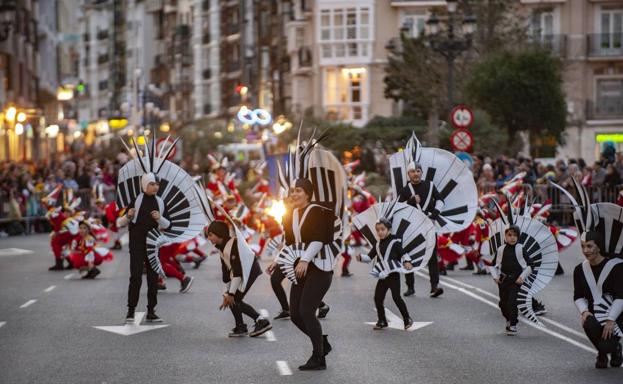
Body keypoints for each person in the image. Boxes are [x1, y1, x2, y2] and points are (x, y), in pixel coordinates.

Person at [267, 179, 336, 370]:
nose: (294, 194)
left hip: (320, 267)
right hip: (300, 268)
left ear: (307, 193)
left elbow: (319, 239)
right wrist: (278, 259)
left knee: (307, 311)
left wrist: (305, 259)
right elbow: (289, 243)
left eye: (298, 190)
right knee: (296, 315)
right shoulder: (291, 214)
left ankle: (318, 358)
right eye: (292, 191)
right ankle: (322, 344)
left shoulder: (318, 211)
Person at [118, 173, 171, 324]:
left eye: (157, 184)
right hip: (136, 243)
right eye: (152, 184)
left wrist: (159, 218)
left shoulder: (160, 202)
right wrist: (128, 216)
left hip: (153, 245)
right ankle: (131, 310)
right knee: (135, 277)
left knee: (153, 279)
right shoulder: (136, 200)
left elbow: (169, 225)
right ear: (145, 185)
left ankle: (151, 311)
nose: (155, 187)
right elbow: (119, 223)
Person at [206, 220, 272, 338]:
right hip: (240, 272)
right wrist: (227, 292)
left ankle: (262, 321)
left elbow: (238, 273)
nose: (208, 238)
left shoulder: (234, 244)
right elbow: (226, 272)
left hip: (250, 270)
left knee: (235, 298)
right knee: (230, 298)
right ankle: (241, 326)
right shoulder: (220, 246)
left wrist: (231, 293)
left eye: (210, 235)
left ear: (218, 233)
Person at [573, 231, 623, 369]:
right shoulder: (579, 269)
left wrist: (611, 319)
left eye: (589, 246)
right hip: (595, 313)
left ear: (599, 247)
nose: (585, 250)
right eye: (583, 246)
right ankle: (602, 352)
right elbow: (577, 296)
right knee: (588, 322)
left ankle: (613, 349)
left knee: (607, 346)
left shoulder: (617, 267)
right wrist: (584, 311)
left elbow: (621, 295)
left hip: (618, 315)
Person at [356, 219, 413, 330]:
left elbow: (403, 253)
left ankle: (407, 319)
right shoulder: (377, 245)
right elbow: (369, 257)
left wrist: (407, 261)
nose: (380, 232)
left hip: (393, 274)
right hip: (382, 275)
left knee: (396, 297)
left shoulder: (395, 242)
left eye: (383, 229)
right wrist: (361, 257)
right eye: (378, 230)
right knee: (378, 298)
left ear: (389, 230)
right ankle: (382, 320)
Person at [398, 161, 444, 298]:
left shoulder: (430, 185)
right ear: (408, 174)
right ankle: (410, 287)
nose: (415, 173)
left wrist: (435, 212)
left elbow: (440, 200)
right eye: (412, 171)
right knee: (409, 255)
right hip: (412, 229)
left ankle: (434, 287)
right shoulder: (405, 190)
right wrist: (410, 201)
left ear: (421, 172)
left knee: (432, 256)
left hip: (429, 225)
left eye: (418, 171)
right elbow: (398, 208)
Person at [489, 225, 532, 335]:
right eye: (509, 235)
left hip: (516, 280)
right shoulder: (501, 249)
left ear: (518, 237)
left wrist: (522, 277)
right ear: (505, 236)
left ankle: (513, 324)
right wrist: (495, 277)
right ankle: (508, 319)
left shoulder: (521, 249)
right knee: (503, 304)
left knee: (512, 302)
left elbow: (530, 265)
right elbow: (493, 265)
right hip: (503, 280)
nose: (512, 238)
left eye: (515, 235)